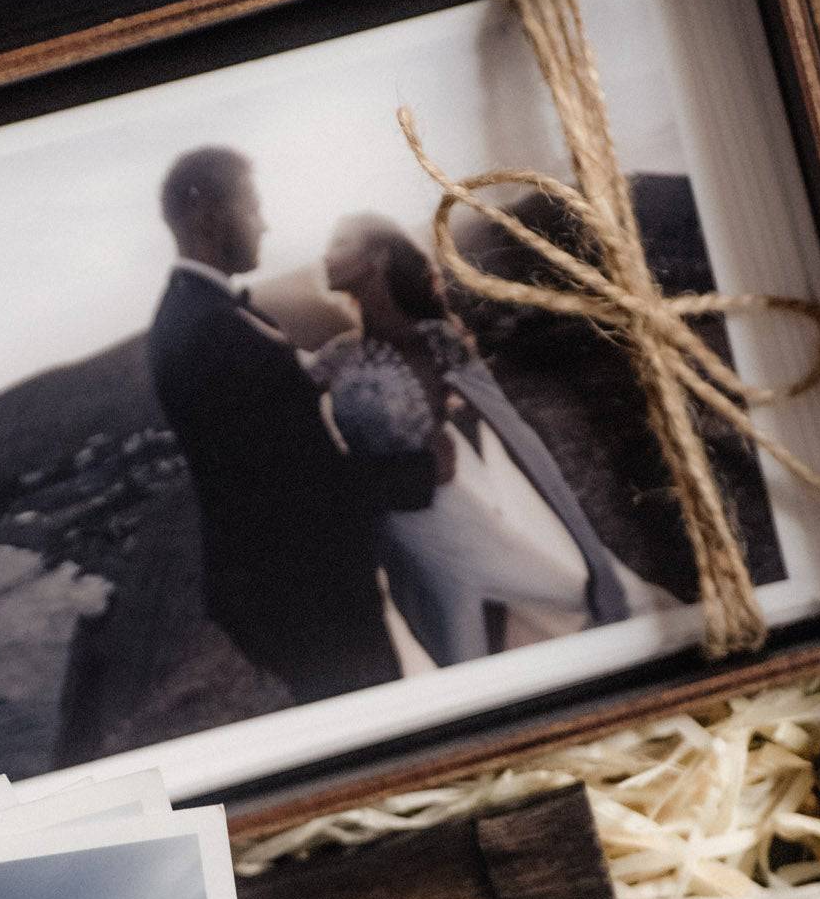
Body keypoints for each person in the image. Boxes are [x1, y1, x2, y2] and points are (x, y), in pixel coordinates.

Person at [146, 148, 441, 703]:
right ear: (210, 216)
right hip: (302, 593)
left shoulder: (199, 313)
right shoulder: (208, 330)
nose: (265, 224)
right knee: (376, 725)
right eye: (253, 207)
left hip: (283, 582)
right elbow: (294, 486)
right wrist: (420, 471)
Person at [315, 214, 650, 665]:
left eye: (339, 241)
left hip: (448, 519)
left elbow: (514, 431)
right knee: (432, 639)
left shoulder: (436, 341)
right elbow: (274, 397)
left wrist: (590, 551)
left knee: (547, 603)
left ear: (377, 256)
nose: (325, 255)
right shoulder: (337, 355)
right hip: (389, 529)